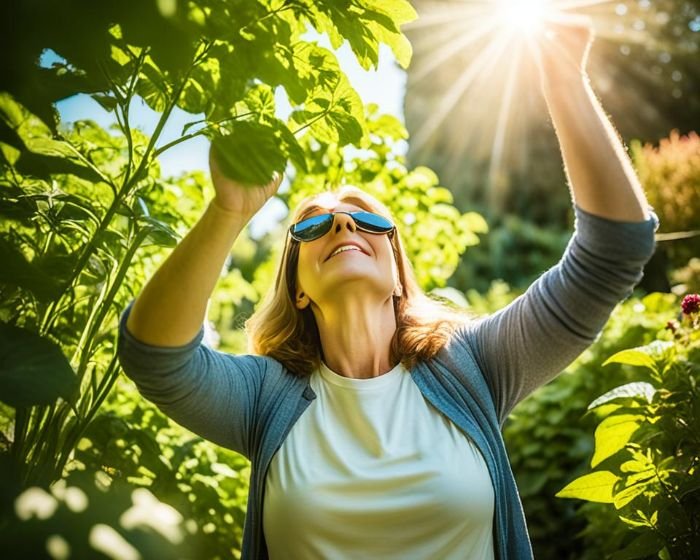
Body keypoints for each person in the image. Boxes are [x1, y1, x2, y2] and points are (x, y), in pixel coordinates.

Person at [117, 20, 659, 560]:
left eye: (368, 222)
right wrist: (229, 211)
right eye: (312, 227)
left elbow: (612, 253)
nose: (343, 226)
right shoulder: (265, 398)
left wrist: (564, 81)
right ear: (298, 288)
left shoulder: (474, 365)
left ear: (398, 273)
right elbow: (157, 358)